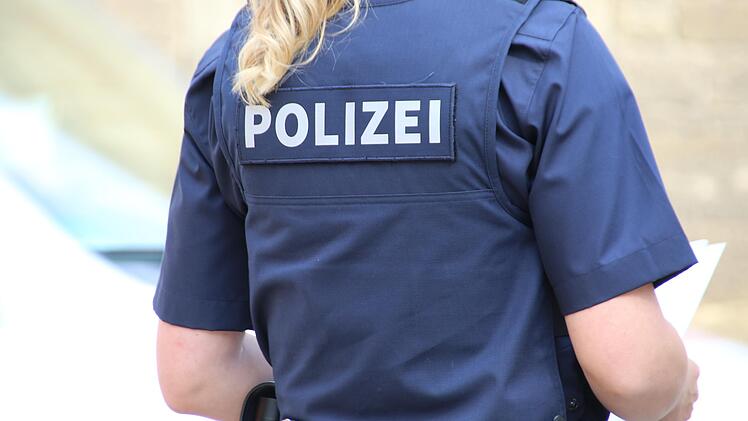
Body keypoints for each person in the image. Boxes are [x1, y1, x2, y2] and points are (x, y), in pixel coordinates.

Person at [153, 0, 700, 420]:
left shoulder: (241, 61)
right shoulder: (541, 45)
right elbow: (633, 374)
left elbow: (195, 371)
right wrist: (677, 385)